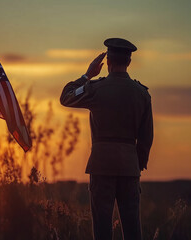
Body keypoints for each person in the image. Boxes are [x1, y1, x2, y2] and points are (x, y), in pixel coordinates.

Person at [60, 38, 153, 240]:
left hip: (101, 165)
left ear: (107, 61)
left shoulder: (95, 88)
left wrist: (87, 75)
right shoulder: (142, 94)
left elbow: (66, 96)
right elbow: (147, 137)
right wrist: (137, 162)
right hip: (130, 166)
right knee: (132, 229)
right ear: (129, 62)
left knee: (102, 228)